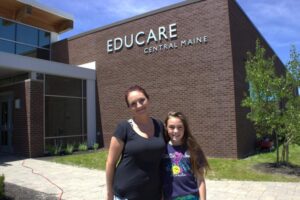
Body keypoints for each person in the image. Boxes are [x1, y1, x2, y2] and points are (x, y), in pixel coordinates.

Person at [105, 85, 166, 200]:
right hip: (126, 195)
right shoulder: (123, 128)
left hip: (154, 195)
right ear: (129, 108)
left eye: (142, 100)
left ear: (148, 100)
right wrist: (109, 194)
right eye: (133, 103)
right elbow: (110, 163)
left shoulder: (160, 125)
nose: (139, 105)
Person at [162, 111, 209, 200]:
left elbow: (200, 179)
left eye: (180, 127)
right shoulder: (162, 149)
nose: (176, 131)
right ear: (166, 127)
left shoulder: (193, 148)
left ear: (185, 128)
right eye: (171, 127)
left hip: (191, 197)